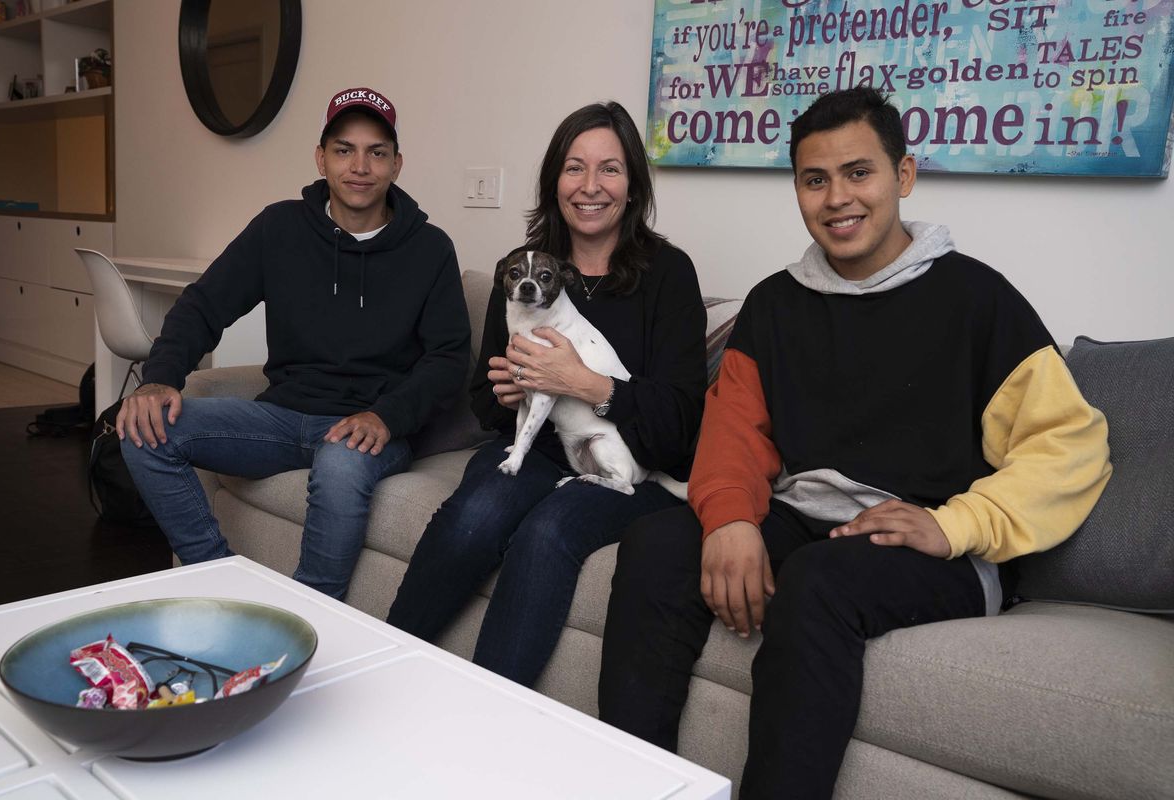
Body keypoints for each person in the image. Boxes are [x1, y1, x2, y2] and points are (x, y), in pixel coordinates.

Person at [597, 87, 1112, 799]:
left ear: (903, 175)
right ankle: (635, 786)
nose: (837, 197)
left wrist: (952, 523)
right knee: (658, 544)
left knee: (816, 584)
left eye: (858, 173)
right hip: (806, 517)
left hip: (930, 542)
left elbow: (1072, 446)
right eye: (814, 180)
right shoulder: (775, 304)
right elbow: (733, 431)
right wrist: (733, 520)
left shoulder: (977, 299)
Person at [386, 101, 707, 687]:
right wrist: (507, 392)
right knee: (476, 515)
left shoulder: (669, 275)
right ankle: (384, 674)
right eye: (574, 168)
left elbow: (680, 420)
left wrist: (585, 384)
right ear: (554, 180)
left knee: (548, 531)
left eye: (609, 169)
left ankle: (490, 721)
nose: (590, 186)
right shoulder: (523, 272)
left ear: (633, 184)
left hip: (628, 463)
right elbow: (486, 404)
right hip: (535, 450)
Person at [118, 87, 470, 601]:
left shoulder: (430, 248)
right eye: (344, 149)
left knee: (341, 464)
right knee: (140, 431)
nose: (360, 166)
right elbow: (203, 305)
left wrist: (387, 417)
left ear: (397, 165)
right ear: (321, 158)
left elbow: (448, 358)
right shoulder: (279, 228)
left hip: (368, 427)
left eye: (376, 152)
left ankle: (311, 616)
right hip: (281, 419)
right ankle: (223, 583)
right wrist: (159, 379)